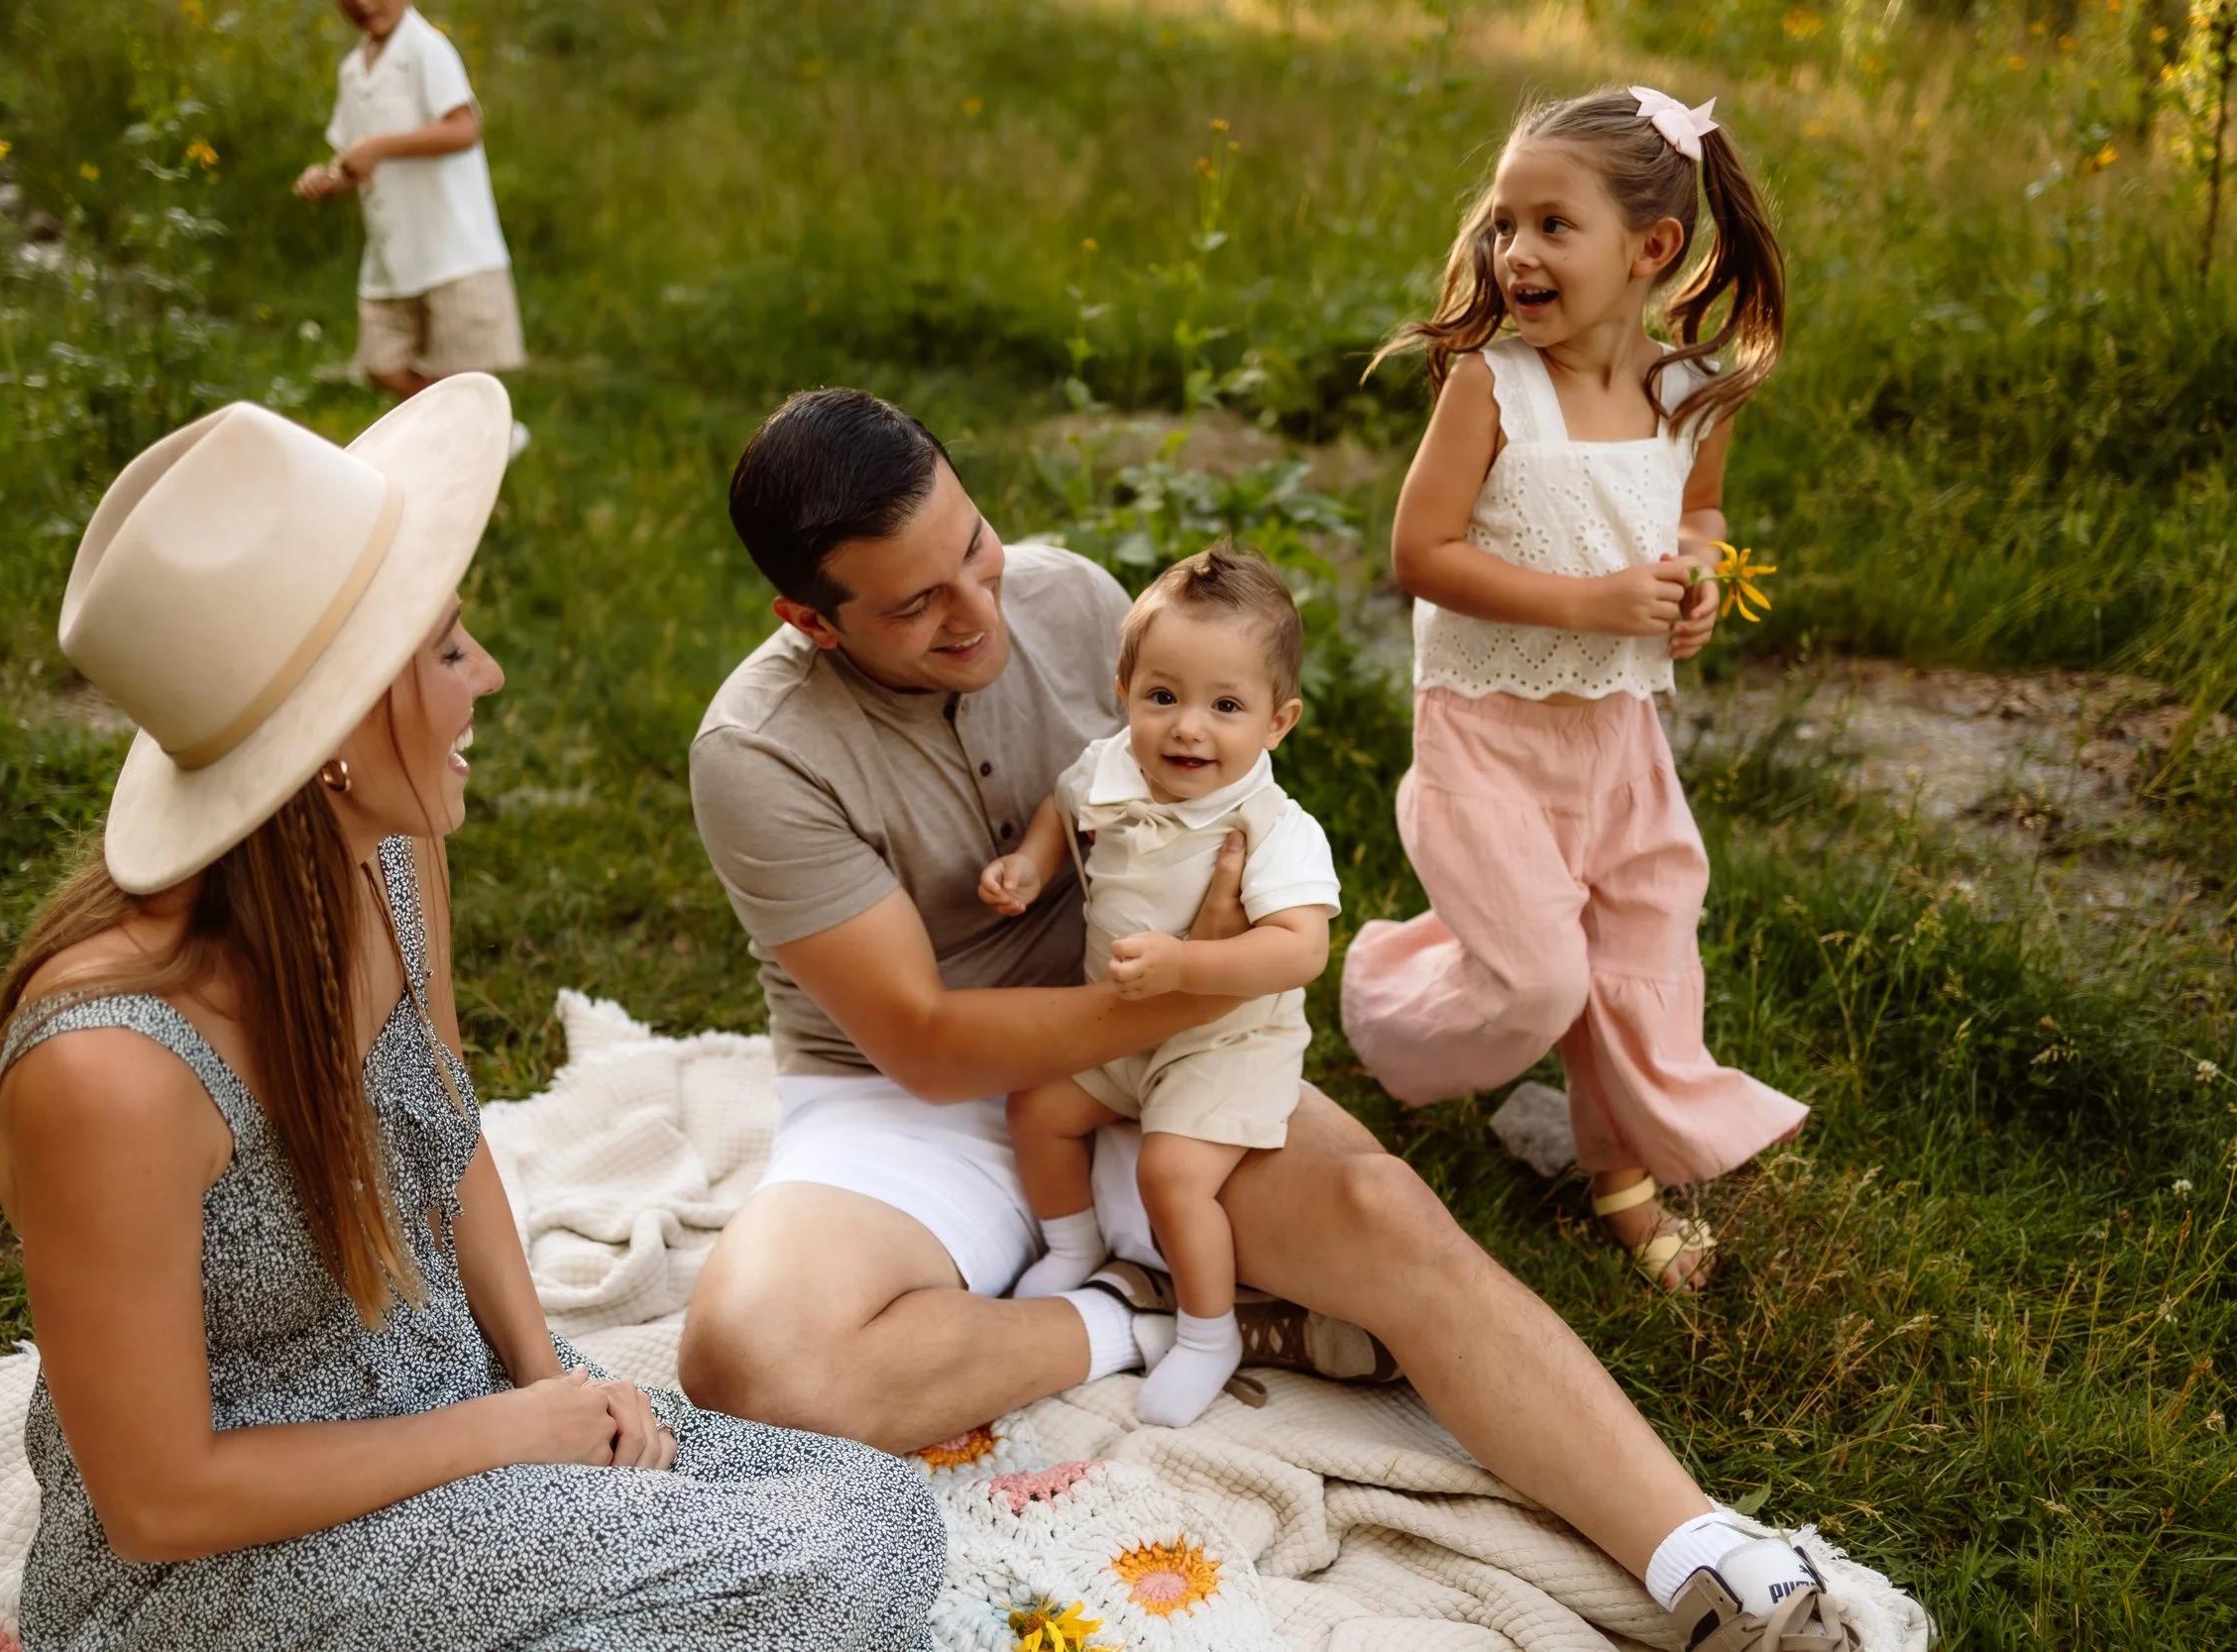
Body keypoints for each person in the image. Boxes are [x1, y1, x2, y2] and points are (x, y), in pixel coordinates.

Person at [681, 385, 1868, 1647]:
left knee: (1388, 1217)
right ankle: (1144, 1315)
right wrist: (1181, 983)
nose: (978, 611)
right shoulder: (757, 751)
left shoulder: (1074, 600)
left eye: (974, 548)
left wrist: (1210, 979)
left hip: (1171, 1043)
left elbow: (1227, 811)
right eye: (916, 604)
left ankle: (1708, 1556)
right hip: (911, 1100)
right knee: (757, 1363)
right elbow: (923, 1043)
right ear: (810, 620)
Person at [0, 377, 941, 1650]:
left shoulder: (387, 852)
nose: (486, 669)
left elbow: (441, 1116)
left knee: (876, 1510)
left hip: (443, 1398)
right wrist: (509, 1431)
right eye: (443, 648)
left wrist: (548, 1375)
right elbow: (159, 1501)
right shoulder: (108, 1070)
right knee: (825, 1569)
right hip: (232, 1552)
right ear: (330, 736)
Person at [1342, 84, 1808, 1297]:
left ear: (1651, 249)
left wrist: (1697, 581)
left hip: (1618, 740)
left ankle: (1621, 1179)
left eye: (1553, 225)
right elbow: (1420, 553)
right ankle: (1384, 1009)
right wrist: (1589, 602)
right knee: (1536, 982)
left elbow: (1700, 514)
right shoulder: (1492, 385)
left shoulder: (1690, 391)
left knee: (1642, 957)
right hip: (1486, 738)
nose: (1514, 252)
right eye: (1505, 223)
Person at [981, 545, 1338, 1427]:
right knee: (1037, 1105)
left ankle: (1208, 1332)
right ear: (1124, 691)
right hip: (1120, 1029)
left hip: (1225, 1039)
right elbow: (1061, 807)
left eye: (1226, 706)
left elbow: (1300, 949)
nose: (1188, 729)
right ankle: (1073, 1246)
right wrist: (1030, 865)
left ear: (1279, 721)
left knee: (1172, 1172)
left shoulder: (1272, 826)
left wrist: (1188, 968)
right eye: (1164, 696)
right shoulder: (1110, 769)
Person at [292, 0, 530, 456]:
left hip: (453, 250)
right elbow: (357, 162)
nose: (363, 4)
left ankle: (471, 460)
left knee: (461, 377)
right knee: (381, 365)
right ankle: (486, 434)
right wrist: (329, 179)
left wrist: (381, 147)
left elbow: (463, 129)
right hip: (393, 255)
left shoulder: (425, 48)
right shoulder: (353, 70)